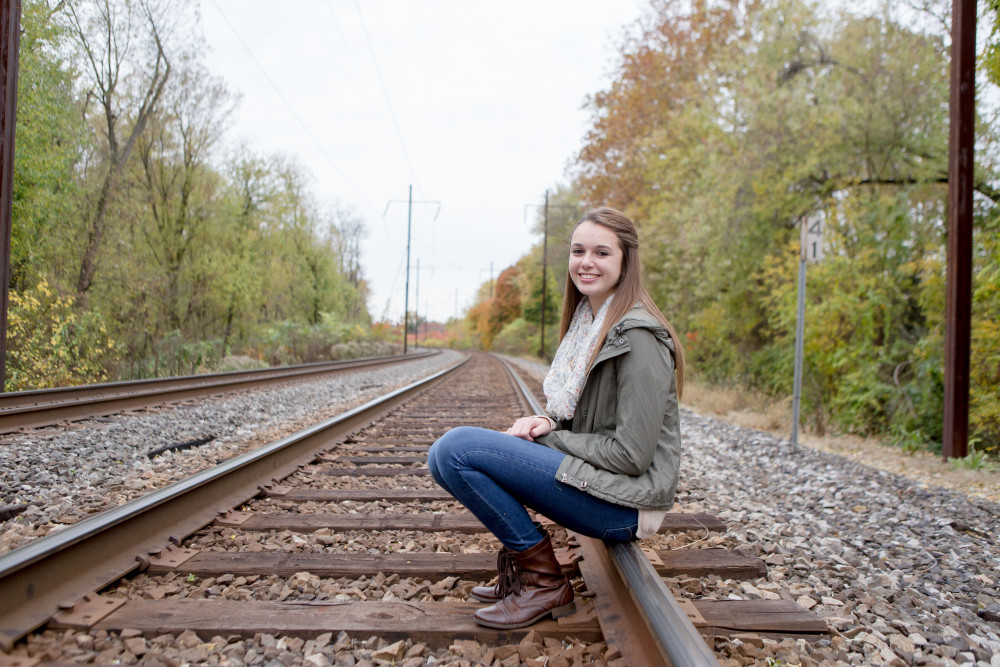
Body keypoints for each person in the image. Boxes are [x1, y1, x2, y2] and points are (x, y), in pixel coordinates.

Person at [427, 207, 685, 630]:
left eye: (602, 252)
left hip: (627, 504)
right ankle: (533, 572)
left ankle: (544, 583)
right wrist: (551, 424)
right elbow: (593, 423)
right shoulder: (589, 322)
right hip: (605, 486)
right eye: (578, 250)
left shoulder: (637, 337)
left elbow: (632, 454)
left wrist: (550, 441)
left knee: (458, 449)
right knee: (442, 455)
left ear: (625, 261)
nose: (586, 262)